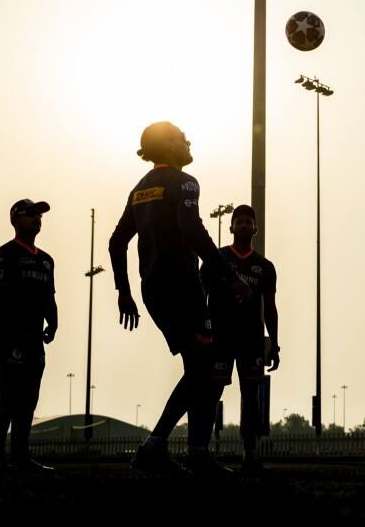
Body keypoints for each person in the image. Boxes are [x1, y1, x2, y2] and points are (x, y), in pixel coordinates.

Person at [108, 121, 250, 475]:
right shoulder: (184, 182)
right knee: (206, 367)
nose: (187, 140)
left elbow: (116, 242)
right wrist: (230, 276)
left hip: (152, 288)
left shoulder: (140, 188)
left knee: (200, 368)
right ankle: (157, 447)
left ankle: (195, 452)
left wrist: (124, 291)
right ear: (165, 147)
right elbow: (192, 230)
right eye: (179, 137)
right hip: (181, 285)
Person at [201, 204, 280, 473]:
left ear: (255, 228)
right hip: (220, 338)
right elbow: (201, 296)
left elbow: (270, 307)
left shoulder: (265, 267)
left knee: (251, 396)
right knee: (211, 394)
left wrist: (275, 343)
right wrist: (201, 330)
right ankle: (201, 451)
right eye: (240, 221)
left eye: (249, 221)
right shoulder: (216, 259)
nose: (244, 225)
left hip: (251, 339)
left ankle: (249, 455)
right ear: (232, 227)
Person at [0, 199, 58, 473]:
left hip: (33, 338)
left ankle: (20, 457)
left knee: (28, 400)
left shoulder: (47, 260)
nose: (36, 218)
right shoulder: (3, 255)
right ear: (15, 219)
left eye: (39, 215)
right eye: (30, 214)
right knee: (7, 397)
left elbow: (50, 296)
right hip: (7, 335)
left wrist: (54, 322)